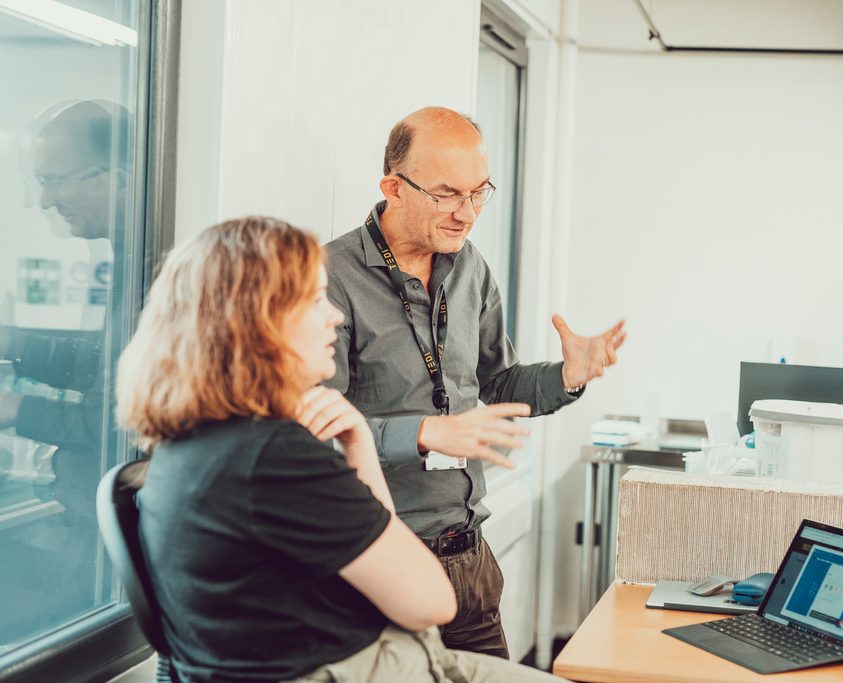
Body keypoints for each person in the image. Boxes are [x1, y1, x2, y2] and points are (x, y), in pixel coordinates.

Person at [116, 216, 565, 683]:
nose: (333, 315)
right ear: (259, 322)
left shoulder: (195, 444)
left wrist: (359, 443)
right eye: (314, 300)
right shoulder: (276, 458)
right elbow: (431, 602)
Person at [323, 106, 627, 658]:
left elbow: (499, 383)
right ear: (394, 188)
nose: (466, 214)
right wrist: (423, 433)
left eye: (478, 192)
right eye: (446, 194)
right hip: (378, 564)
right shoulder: (330, 277)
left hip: (468, 560)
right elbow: (318, 432)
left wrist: (567, 376)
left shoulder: (469, 267)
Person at [0, 100, 130, 639]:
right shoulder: (129, 255)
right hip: (89, 512)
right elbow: (102, 369)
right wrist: (12, 343)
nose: (46, 201)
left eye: (55, 180)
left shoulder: (159, 269)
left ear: (116, 179)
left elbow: (118, 426)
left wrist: (13, 408)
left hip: (107, 530)